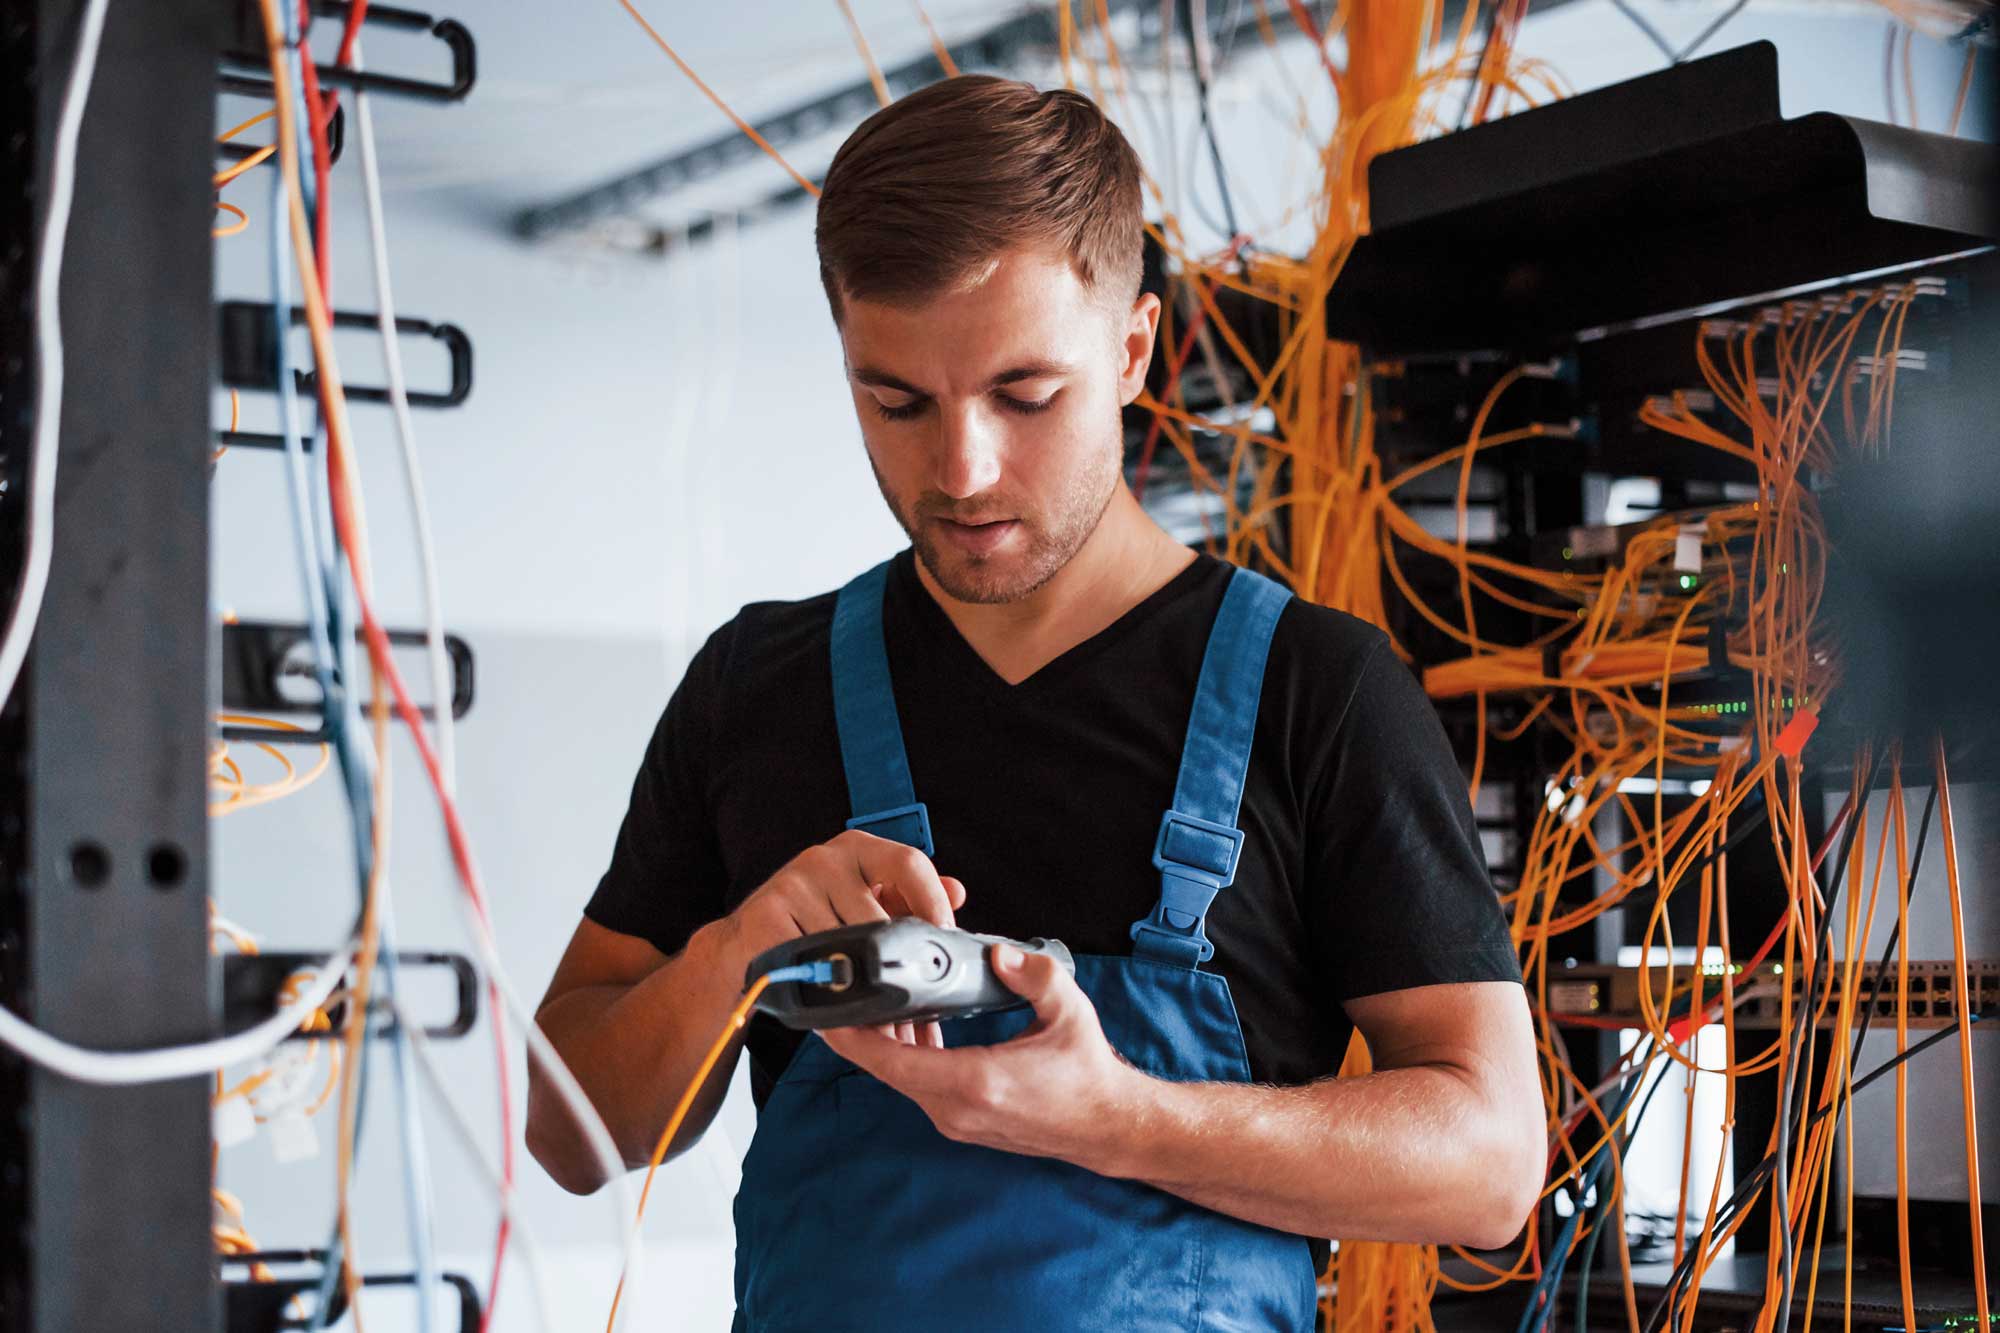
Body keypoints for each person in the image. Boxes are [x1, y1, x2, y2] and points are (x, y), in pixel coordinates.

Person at [528, 74, 1543, 1332]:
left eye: (1024, 394)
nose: (961, 469)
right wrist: (735, 955)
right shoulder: (754, 686)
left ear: (1131, 351)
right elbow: (567, 1132)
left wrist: (1119, 1120)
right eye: (895, 400)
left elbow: (1491, 1163)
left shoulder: (1317, 693)